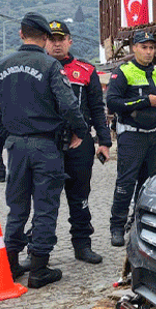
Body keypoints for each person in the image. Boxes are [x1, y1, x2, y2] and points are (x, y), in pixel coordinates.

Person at [0, 12, 89, 289]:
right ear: (46, 38)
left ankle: (12, 265)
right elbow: (69, 104)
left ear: (20, 34)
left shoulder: (1, 66)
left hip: (16, 145)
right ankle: (39, 268)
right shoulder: (49, 65)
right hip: (46, 146)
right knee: (46, 206)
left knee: (17, 206)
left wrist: (4, 131)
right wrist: (80, 131)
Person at [45, 19, 112, 264]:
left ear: (69, 41)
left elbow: (97, 108)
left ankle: (82, 245)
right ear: (45, 42)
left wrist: (104, 141)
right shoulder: (39, 69)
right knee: (45, 199)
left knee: (80, 197)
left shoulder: (86, 70)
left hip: (80, 144)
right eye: (52, 39)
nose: (56, 44)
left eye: (61, 39)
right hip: (48, 145)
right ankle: (40, 250)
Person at [107, 30, 156, 247]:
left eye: (151, 48)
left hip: (153, 136)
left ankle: (139, 222)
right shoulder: (123, 71)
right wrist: (142, 102)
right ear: (134, 48)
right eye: (144, 47)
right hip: (131, 136)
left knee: (147, 184)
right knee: (125, 183)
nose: (149, 52)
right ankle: (116, 227)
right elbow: (112, 102)